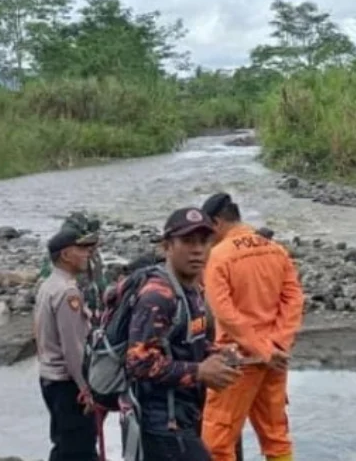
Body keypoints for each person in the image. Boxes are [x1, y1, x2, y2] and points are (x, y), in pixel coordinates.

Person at [126, 207, 241, 461]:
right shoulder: (158, 296)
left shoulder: (191, 289)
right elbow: (138, 362)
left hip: (185, 416)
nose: (198, 250)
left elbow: (190, 343)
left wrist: (219, 355)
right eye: (187, 242)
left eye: (203, 241)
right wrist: (200, 372)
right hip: (162, 425)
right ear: (167, 246)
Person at [199, 193, 303, 461]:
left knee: (217, 442)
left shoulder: (218, 257)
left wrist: (262, 349)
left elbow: (225, 313)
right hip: (275, 360)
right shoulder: (275, 249)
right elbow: (293, 299)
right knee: (276, 436)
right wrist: (278, 344)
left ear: (216, 222)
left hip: (237, 360)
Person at [35, 222, 102, 461]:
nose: (87, 254)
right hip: (68, 384)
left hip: (50, 379)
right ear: (65, 255)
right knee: (79, 449)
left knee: (64, 446)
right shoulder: (67, 292)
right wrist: (86, 388)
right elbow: (73, 347)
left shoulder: (48, 285)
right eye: (81, 249)